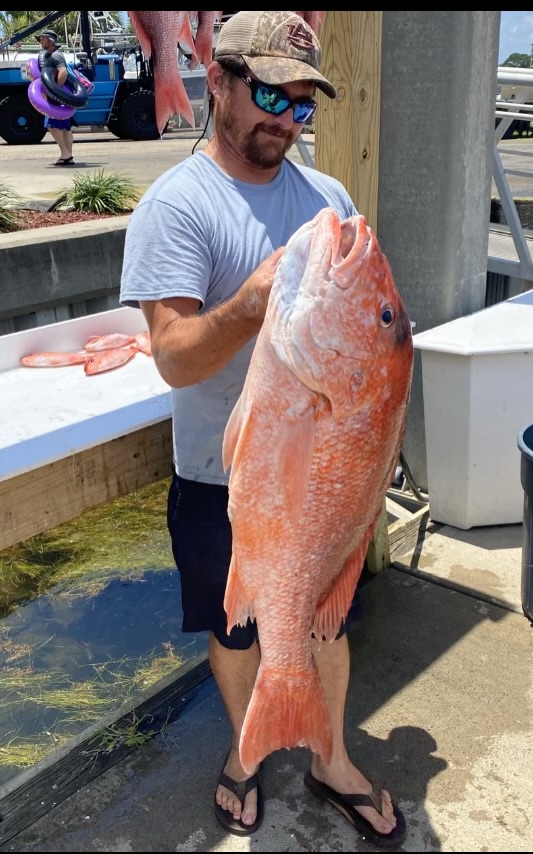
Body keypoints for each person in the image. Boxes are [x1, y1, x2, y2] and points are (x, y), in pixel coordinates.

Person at [118, 9, 406, 849]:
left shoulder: (329, 200)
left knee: (329, 624)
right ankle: (249, 754)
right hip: (225, 480)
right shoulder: (177, 208)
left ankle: (329, 756)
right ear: (218, 79)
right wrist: (249, 304)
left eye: (302, 102)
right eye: (272, 93)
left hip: (327, 481)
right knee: (238, 628)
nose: (286, 117)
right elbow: (172, 356)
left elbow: (375, 360)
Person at [36, 29, 74, 165]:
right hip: (61, 96)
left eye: (42, 38)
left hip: (56, 96)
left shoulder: (55, 56)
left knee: (51, 125)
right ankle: (68, 156)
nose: (40, 41)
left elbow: (62, 72)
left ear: (50, 40)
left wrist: (54, 90)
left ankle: (65, 153)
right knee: (65, 127)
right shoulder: (50, 55)